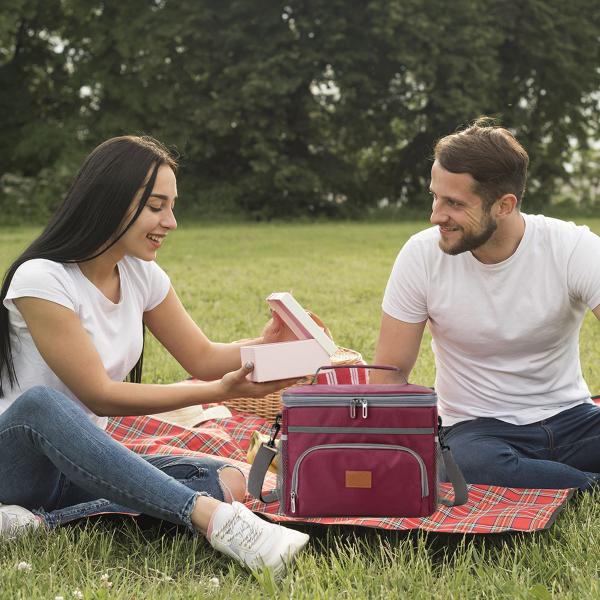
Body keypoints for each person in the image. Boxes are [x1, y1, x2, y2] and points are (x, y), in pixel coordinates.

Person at [0, 135, 309, 575]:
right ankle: (217, 522)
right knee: (41, 406)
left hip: (79, 466)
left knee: (230, 477)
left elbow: (202, 357)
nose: (172, 221)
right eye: (156, 206)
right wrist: (215, 391)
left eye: (172, 205)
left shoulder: (141, 275)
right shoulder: (42, 279)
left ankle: (36, 523)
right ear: (112, 202)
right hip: (15, 459)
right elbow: (99, 395)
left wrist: (273, 348)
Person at [372, 117, 600, 490]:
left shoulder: (571, 247)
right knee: (466, 463)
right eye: (435, 196)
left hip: (573, 420)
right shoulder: (421, 256)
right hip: (477, 432)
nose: (435, 215)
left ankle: (559, 482)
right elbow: (389, 374)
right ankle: (588, 486)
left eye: (454, 203)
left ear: (504, 205)